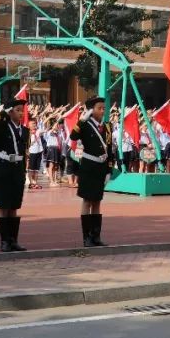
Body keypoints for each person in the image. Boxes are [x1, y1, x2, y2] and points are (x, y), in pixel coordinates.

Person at [70, 96, 113, 247]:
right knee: (87, 200)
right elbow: (73, 136)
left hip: (101, 167)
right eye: (99, 108)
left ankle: (96, 236)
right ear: (91, 110)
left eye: (103, 108)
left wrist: (109, 170)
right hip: (88, 166)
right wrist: (81, 120)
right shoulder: (85, 125)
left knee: (97, 201)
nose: (102, 111)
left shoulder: (107, 126)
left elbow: (109, 149)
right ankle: (86, 237)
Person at [0, 98, 30, 252]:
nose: (21, 113)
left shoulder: (25, 130)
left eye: (22, 110)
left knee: (14, 206)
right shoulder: (2, 127)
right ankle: (4, 241)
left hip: (17, 168)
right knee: (3, 205)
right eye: (18, 110)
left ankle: (13, 240)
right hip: (4, 167)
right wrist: (3, 112)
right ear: (10, 111)